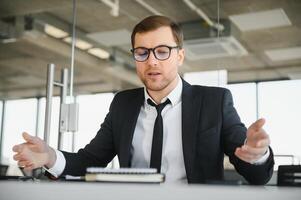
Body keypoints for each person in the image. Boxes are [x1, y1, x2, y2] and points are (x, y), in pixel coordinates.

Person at [13, 15, 274, 184]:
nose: (151, 61)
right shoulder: (123, 104)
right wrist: (49, 156)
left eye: (162, 51)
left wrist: (257, 155)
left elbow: (255, 173)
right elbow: (89, 161)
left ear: (179, 56)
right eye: (142, 52)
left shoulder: (214, 101)